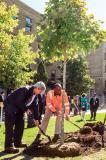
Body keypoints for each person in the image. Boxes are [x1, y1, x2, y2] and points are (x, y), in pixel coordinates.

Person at [4, 81, 46, 154]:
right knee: (10, 127)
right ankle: (8, 147)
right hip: (11, 107)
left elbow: (35, 107)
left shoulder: (35, 95)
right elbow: (17, 101)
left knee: (20, 125)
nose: (40, 93)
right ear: (37, 88)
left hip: (19, 110)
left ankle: (17, 142)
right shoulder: (25, 90)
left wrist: (37, 119)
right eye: (41, 91)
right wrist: (26, 109)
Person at [26, 83, 70, 150]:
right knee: (45, 119)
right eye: (57, 90)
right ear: (54, 89)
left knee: (59, 118)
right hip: (50, 107)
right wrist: (54, 111)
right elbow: (48, 104)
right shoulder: (50, 93)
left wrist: (66, 114)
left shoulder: (64, 94)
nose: (59, 91)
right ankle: (39, 134)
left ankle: (56, 134)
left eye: (59, 90)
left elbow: (66, 104)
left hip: (59, 107)